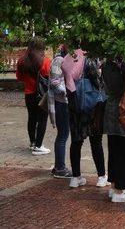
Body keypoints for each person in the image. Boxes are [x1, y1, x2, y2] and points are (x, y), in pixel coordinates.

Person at [62, 48, 108, 188]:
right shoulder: (88, 60)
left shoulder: (68, 59)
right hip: (91, 106)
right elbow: (98, 83)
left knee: (76, 141)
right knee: (96, 141)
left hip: (74, 104)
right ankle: (101, 176)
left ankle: (76, 177)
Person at [16, 37, 51, 155]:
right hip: (42, 95)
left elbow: (19, 78)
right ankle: (39, 146)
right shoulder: (45, 61)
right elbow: (49, 77)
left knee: (32, 118)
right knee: (42, 119)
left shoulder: (22, 61)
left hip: (28, 94)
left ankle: (32, 143)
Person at [102, 59, 125, 202]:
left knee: (114, 151)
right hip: (119, 110)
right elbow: (119, 88)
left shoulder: (108, 65)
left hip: (112, 109)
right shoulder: (115, 67)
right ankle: (119, 189)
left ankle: (114, 186)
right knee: (121, 152)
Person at [47, 45, 72, 177]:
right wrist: (68, 92)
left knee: (63, 135)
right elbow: (55, 82)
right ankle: (60, 168)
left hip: (63, 102)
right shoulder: (59, 60)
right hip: (62, 102)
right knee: (63, 135)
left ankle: (59, 166)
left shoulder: (66, 58)